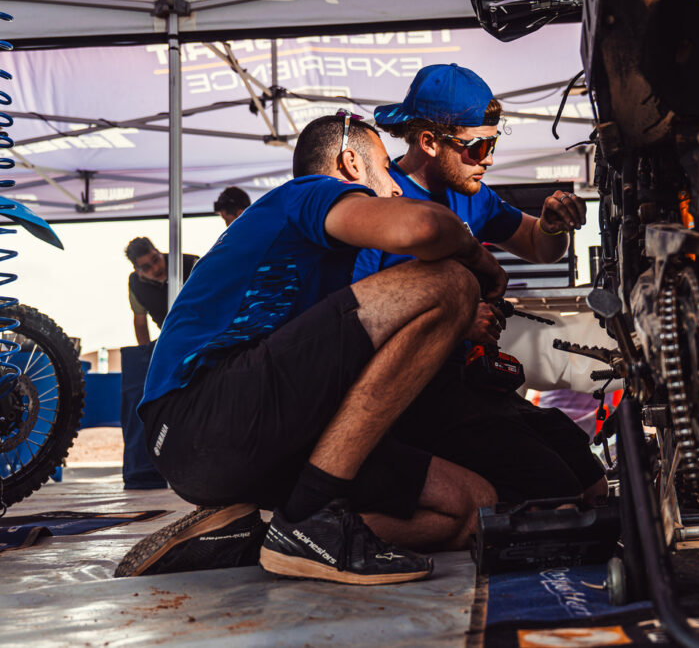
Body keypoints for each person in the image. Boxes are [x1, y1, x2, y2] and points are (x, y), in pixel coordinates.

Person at [114, 113, 507, 584]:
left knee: (469, 508)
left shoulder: (329, 266)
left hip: (253, 443)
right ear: (351, 165)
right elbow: (421, 229)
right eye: (386, 168)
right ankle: (311, 510)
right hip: (198, 416)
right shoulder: (307, 192)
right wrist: (478, 257)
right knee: (450, 283)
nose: (398, 187)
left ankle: (259, 543)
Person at [355, 63, 607, 507]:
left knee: (590, 480)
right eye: (478, 146)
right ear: (429, 142)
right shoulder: (381, 200)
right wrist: (454, 321)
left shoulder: (471, 194)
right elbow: (355, 320)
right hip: (416, 397)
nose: (489, 158)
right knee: (556, 495)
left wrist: (551, 225)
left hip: (473, 384)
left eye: (493, 142)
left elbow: (537, 244)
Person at [124, 237, 198, 345]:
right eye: (146, 267)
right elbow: (140, 323)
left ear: (159, 252)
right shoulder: (136, 284)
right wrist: (145, 354)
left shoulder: (191, 264)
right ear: (138, 271)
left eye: (156, 259)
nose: (155, 268)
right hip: (173, 339)